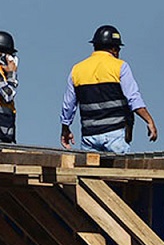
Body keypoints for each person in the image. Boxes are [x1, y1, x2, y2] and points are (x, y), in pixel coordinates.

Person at [60, 25, 158, 153]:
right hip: (115, 135)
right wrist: (149, 121)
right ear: (114, 49)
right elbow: (133, 99)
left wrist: (65, 128)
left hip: (89, 136)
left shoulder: (77, 70)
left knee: (89, 172)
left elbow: (68, 105)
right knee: (118, 172)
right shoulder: (120, 67)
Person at [0, 31, 18, 143]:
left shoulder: (0, 73)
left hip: (2, 134)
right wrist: (12, 74)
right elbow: (8, 95)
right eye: (9, 55)